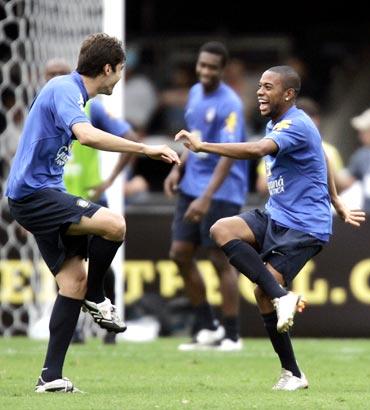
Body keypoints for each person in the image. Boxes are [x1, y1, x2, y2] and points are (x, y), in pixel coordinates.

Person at [5, 33, 180, 393]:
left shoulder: (76, 95)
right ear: (107, 68)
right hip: (34, 194)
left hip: (41, 194)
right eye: (120, 71)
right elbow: (85, 135)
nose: (120, 78)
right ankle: (98, 296)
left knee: (72, 282)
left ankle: (50, 376)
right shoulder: (64, 89)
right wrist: (145, 149)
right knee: (114, 224)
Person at [175, 65, 364, 390]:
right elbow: (321, 154)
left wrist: (203, 146)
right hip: (276, 214)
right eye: (260, 85)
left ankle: (291, 371)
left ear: (288, 94)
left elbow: (257, 150)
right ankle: (283, 299)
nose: (260, 91)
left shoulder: (295, 124)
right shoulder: (279, 123)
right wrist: (336, 198)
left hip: (305, 226)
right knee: (221, 230)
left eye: (268, 86)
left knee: (262, 291)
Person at [44, 58, 140, 345]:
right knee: (62, 265)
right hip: (57, 198)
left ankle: (106, 316)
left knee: (102, 263)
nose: (56, 79)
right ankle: (72, 330)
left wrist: (110, 181)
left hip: (89, 197)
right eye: (51, 75)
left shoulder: (90, 107)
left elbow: (130, 135)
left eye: (61, 74)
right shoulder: (44, 109)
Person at [164, 41, 249, 351]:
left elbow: (228, 154)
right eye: (202, 65)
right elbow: (195, 140)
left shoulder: (231, 105)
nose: (205, 71)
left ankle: (231, 334)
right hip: (192, 184)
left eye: (212, 67)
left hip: (222, 190)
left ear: (222, 70)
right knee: (179, 254)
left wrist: (206, 197)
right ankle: (206, 326)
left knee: (218, 258)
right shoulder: (195, 93)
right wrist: (178, 170)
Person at [255, 97, 344, 197]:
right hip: (282, 206)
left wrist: (326, 171)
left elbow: (340, 187)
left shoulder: (329, 151)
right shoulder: (275, 147)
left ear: (317, 121)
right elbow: (262, 187)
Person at [337, 108, 370, 213]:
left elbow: (345, 183)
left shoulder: (362, 155)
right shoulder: (361, 156)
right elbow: (345, 183)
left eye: (364, 131)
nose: (360, 135)